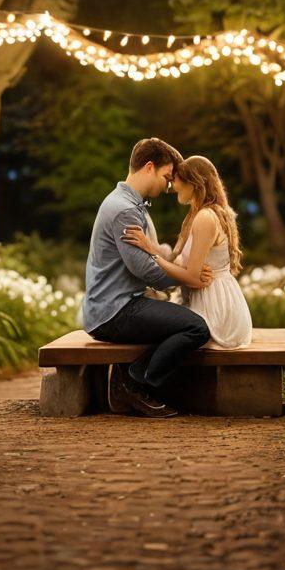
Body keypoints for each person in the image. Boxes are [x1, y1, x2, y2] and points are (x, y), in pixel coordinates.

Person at [83, 138, 212, 417]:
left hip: (115, 305)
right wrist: (189, 276)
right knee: (196, 328)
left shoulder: (131, 204)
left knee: (182, 319)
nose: (168, 187)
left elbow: (155, 252)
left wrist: (177, 259)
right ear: (149, 167)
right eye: (167, 177)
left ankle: (134, 380)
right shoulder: (125, 210)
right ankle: (132, 384)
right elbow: (147, 271)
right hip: (114, 311)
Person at [123, 154, 253, 349]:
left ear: (193, 183)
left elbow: (192, 278)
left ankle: (139, 377)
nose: (171, 187)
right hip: (204, 298)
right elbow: (178, 261)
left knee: (152, 332)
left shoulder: (206, 218)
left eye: (175, 180)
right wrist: (153, 248)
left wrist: (150, 251)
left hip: (215, 308)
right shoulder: (195, 215)